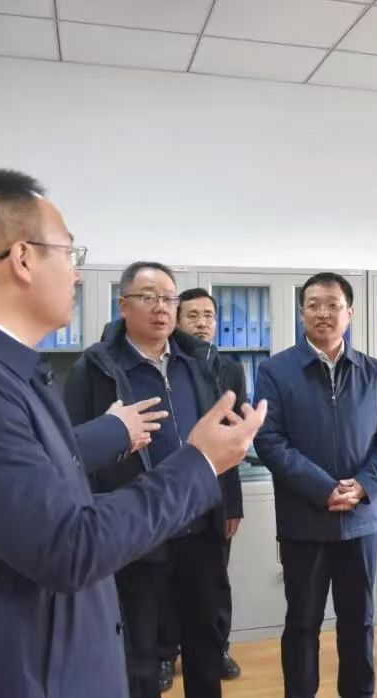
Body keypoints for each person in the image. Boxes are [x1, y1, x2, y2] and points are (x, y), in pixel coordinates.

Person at [0, 169, 265, 698]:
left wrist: (113, 431)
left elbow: (38, 469)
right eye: (69, 253)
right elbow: (68, 544)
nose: (78, 275)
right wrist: (199, 463)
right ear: (22, 258)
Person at [65, 263, 244, 698]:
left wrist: (228, 502)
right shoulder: (95, 368)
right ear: (123, 306)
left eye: (168, 298)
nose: (161, 307)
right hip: (134, 531)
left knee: (206, 642)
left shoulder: (197, 362)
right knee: (140, 652)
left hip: (199, 524)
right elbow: (73, 452)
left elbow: (221, 440)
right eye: (148, 297)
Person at [254, 272, 377, 698]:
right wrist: (323, 489)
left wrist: (364, 485)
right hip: (305, 522)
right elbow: (269, 440)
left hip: (360, 521)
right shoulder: (275, 370)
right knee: (302, 623)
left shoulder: (371, 371)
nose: (324, 313)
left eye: (333, 305)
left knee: (360, 620)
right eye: (314, 304)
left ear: (349, 313)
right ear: (301, 311)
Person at [158, 287, 245, 687]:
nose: (202, 323)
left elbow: (236, 441)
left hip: (215, 492)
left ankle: (218, 647)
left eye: (208, 316)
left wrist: (233, 504)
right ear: (177, 321)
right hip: (171, 488)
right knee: (165, 577)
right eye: (192, 316)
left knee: (215, 580)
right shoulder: (169, 365)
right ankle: (165, 653)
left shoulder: (230, 369)